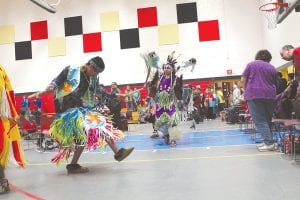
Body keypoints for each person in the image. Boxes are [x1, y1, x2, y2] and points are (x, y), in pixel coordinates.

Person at [46, 56, 134, 174]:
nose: (95, 74)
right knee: (91, 129)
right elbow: (58, 79)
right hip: (66, 110)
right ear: (90, 66)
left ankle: (117, 153)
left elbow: (100, 92)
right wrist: (51, 85)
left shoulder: (90, 79)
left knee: (99, 124)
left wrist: (116, 95)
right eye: (95, 71)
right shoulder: (72, 70)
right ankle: (75, 165)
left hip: (78, 108)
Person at [241, 49, 277, 151]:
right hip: (270, 95)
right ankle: (267, 141)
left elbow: (243, 80)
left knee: (259, 120)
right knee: (267, 119)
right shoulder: (272, 67)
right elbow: (274, 82)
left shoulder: (251, 64)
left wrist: (245, 91)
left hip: (254, 94)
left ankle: (269, 143)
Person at [0, 65, 25, 193]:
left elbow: (7, 92)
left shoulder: (1, 70)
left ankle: (1, 180)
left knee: (2, 146)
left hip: (2, 117)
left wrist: (13, 113)